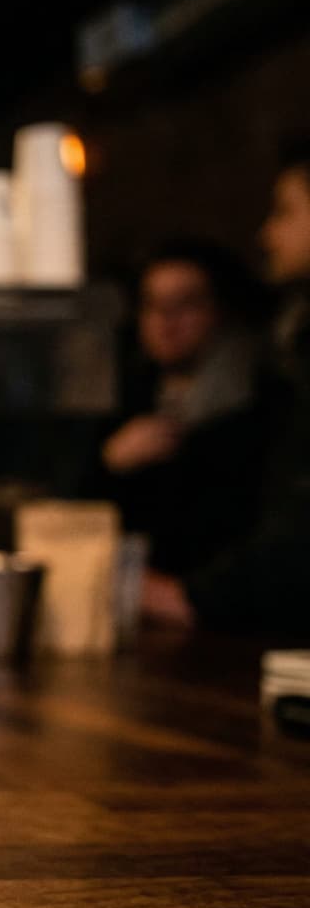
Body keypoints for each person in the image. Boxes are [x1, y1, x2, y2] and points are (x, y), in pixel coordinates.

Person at [142, 144, 310, 634]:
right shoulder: (137, 392)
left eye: (285, 211)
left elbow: (298, 518)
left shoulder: (260, 381)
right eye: (152, 307)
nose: (266, 233)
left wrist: (200, 597)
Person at [94, 243, 267, 577]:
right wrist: (112, 461)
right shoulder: (125, 394)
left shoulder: (255, 401)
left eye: (185, 304)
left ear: (219, 310)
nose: (165, 320)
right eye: (152, 304)